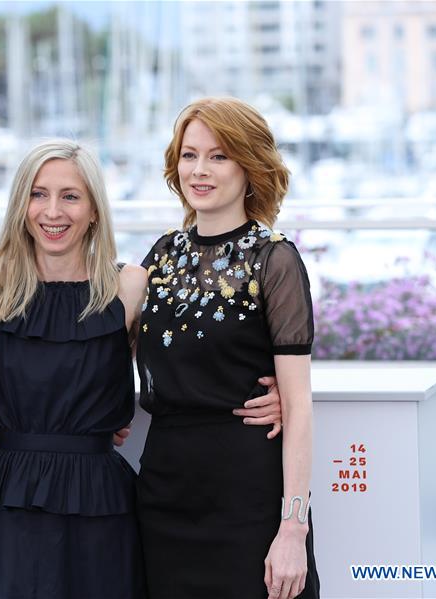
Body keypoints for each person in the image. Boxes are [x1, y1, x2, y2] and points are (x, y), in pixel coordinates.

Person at [135, 97, 321, 599]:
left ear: (250, 165)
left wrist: (292, 530)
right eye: (189, 154)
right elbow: (92, 329)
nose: (199, 169)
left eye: (218, 156)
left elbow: (299, 404)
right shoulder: (159, 258)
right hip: (164, 492)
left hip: (248, 497)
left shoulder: (274, 260)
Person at [0, 140, 148, 598]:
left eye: (70, 196)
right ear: (21, 204)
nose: (52, 211)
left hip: (99, 501)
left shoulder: (129, 286)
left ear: (95, 210)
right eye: (39, 194)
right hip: (11, 496)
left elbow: (182, 372)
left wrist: (274, 393)